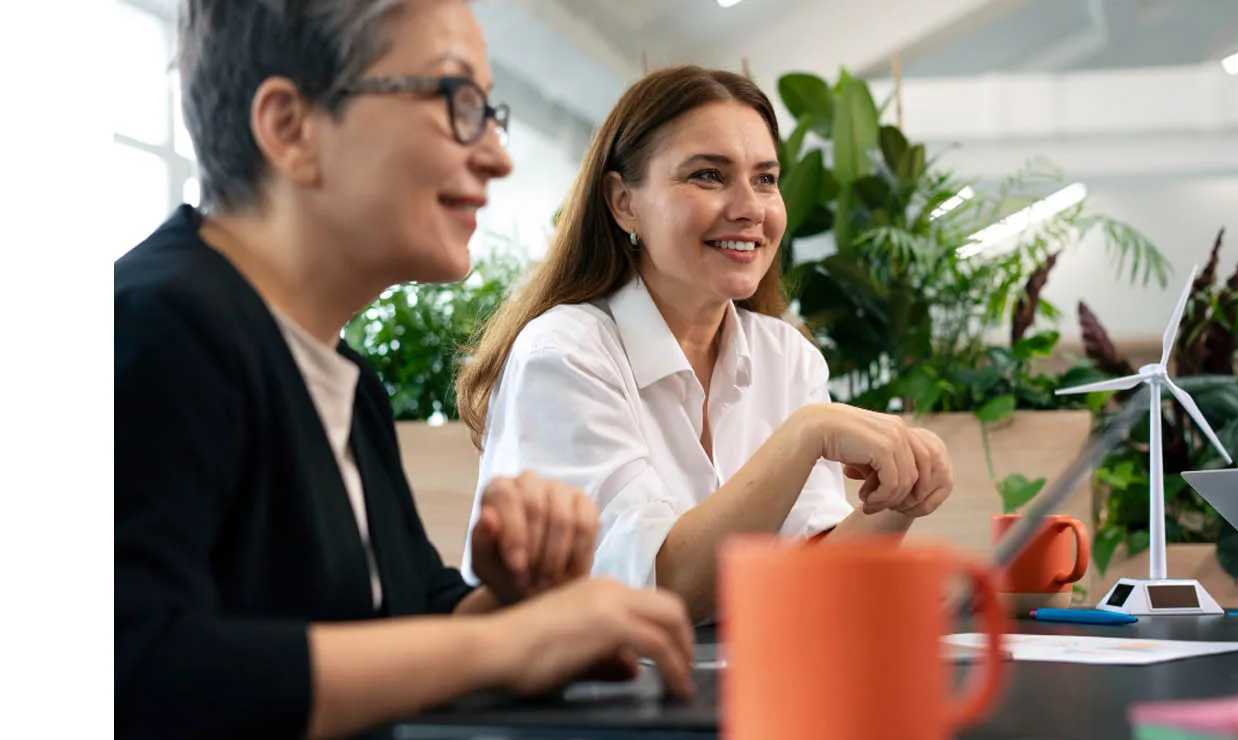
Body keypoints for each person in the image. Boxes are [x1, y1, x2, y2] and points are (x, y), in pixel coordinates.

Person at [115, 2, 695, 738]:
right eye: (456, 101)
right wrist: (503, 645)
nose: (498, 157)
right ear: (291, 128)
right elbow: (131, 670)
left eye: (489, 112)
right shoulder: (150, 326)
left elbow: (410, 619)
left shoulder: (344, 380)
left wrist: (519, 599)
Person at [456, 65, 956, 624]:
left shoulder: (787, 357)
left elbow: (811, 582)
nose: (750, 207)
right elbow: (659, 588)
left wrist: (898, 499)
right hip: (585, 678)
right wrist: (805, 435)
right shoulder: (564, 355)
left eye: (765, 179)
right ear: (624, 202)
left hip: (733, 674)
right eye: (708, 176)